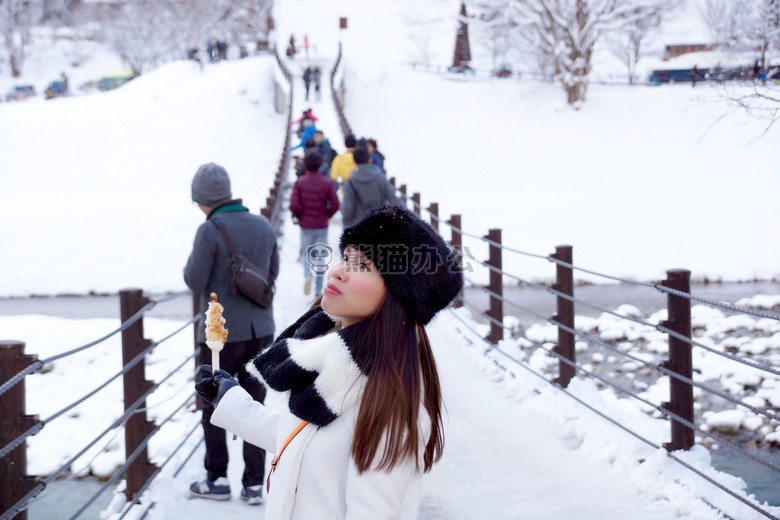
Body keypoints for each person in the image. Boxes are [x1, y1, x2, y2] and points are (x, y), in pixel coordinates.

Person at [195, 204, 463, 518]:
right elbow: (306, 444)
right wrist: (232, 402)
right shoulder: (336, 360)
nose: (337, 270)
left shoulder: (390, 403)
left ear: (398, 296)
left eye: (361, 265)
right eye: (346, 257)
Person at [184, 163, 279, 505]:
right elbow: (272, 274)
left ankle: (218, 478)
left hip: (218, 335)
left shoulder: (210, 230)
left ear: (202, 199)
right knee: (253, 403)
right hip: (261, 331)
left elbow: (194, 281)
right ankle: (254, 484)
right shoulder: (262, 225)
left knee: (214, 402)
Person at [290, 150, 340, 296]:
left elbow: (293, 204)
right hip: (321, 224)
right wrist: (327, 214)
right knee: (320, 256)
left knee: (306, 253)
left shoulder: (300, 182)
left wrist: (298, 216)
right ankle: (318, 290)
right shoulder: (327, 182)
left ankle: (307, 273)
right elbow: (336, 203)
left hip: (306, 224)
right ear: (320, 165)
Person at [341, 148, 398, 227]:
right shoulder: (380, 178)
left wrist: (346, 224)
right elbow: (393, 199)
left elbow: (348, 208)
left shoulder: (350, 182)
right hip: (379, 224)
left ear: (354, 162)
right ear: (370, 160)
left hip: (359, 226)